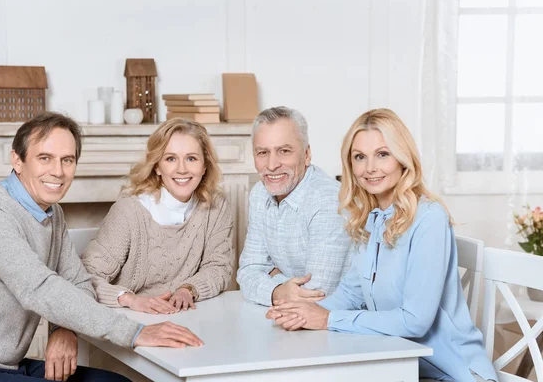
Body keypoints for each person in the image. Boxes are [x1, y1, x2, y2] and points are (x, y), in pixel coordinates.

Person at [0, 113, 202, 382]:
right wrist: (134, 333)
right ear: (17, 161)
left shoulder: (52, 214)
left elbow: (78, 281)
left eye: (67, 160)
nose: (57, 171)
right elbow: (37, 287)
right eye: (45, 158)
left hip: (7, 365)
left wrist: (63, 329)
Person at [266, 108, 497, 382]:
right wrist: (301, 314)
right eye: (359, 157)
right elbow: (352, 295)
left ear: (403, 158)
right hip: (398, 365)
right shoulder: (370, 219)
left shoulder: (430, 218)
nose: (370, 168)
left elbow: (415, 320)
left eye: (383, 154)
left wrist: (327, 320)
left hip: (453, 373)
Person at [82, 118, 234, 314]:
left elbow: (219, 267)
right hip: (128, 316)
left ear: (204, 166)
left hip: (186, 315)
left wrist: (188, 289)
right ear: (157, 167)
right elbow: (86, 276)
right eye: (170, 158)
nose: (182, 169)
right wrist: (130, 300)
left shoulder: (217, 206)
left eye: (191, 158)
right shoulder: (130, 210)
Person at [237, 106, 354, 307]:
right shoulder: (259, 194)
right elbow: (247, 271)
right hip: (290, 320)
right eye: (263, 152)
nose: (272, 165)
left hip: (338, 324)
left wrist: (273, 276)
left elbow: (316, 295)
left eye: (284, 151)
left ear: (306, 154)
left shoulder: (328, 200)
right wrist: (277, 291)